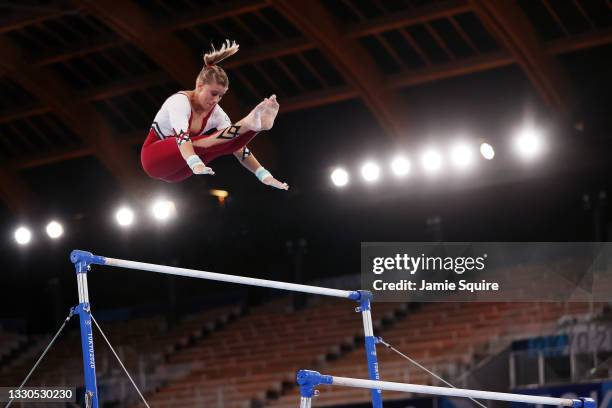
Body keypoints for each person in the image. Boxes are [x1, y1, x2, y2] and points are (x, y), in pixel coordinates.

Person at [141, 40, 288, 190]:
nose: (216, 100)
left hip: (179, 171)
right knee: (209, 142)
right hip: (153, 160)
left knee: (221, 145)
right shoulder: (179, 102)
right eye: (213, 93)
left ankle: (256, 127)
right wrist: (195, 162)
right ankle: (247, 124)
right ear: (199, 86)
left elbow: (237, 148)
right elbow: (182, 138)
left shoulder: (216, 113)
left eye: (221, 96)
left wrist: (264, 175)